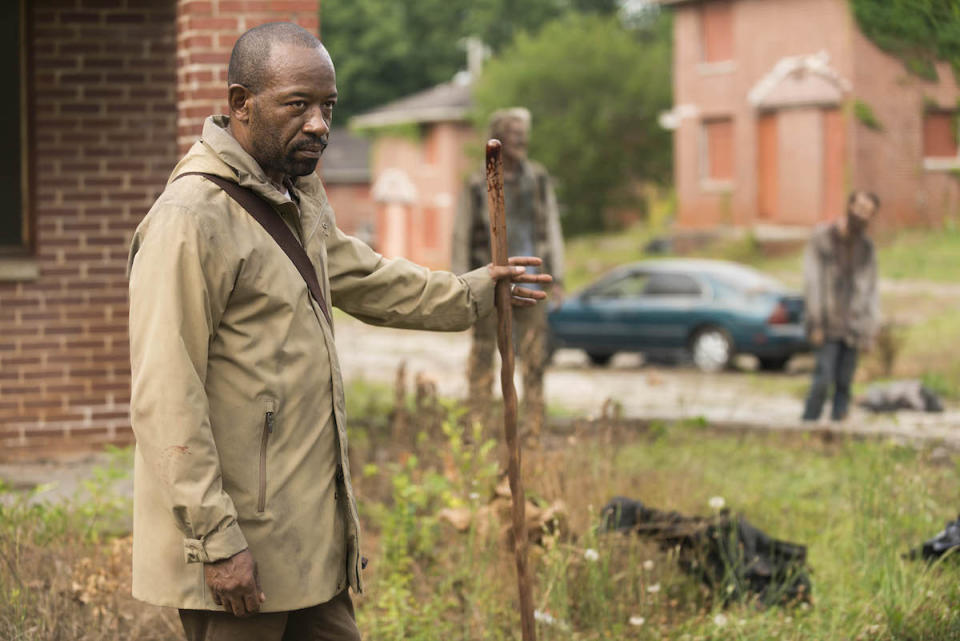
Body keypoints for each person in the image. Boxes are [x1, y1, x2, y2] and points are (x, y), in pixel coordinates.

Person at [126, 23, 551, 641]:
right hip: (238, 545)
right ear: (241, 103)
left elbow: (368, 278)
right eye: (298, 105)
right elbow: (166, 397)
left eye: (328, 106)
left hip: (307, 543)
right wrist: (216, 541)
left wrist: (475, 291)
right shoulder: (191, 221)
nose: (320, 124)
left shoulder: (296, 194)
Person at [452, 108, 565, 440]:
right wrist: (461, 286)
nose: (522, 140)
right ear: (499, 137)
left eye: (524, 134)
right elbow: (460, 234)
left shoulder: (538, 178)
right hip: (490, 282)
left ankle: (533, 428)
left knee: (533, 355)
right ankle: (478, 426)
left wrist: (557, 277)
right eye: (515, 134)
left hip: (531, 281)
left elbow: (552, 227)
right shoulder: (477, 181)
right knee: (485, 352)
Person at [801, 190, 880, 422]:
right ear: (850, 206)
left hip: (852, 328)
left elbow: (871, 290)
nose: (862, 215)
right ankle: (808, 426)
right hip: (825, 325)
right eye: (859, 208)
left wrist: (869, 330)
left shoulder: (866, 248)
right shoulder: (822, 238)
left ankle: (838, 430)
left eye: (868, 212)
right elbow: (812, 282)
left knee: (844, 384)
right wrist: (815, 322)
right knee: (823, 380)